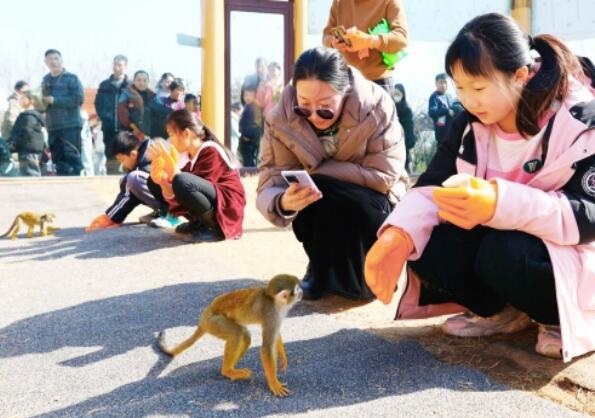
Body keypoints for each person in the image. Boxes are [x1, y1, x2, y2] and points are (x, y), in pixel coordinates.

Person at [364, 13, 595, 362]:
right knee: (425, 243)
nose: (468, 100)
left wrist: (499, 202)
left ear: (520, 75)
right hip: (499, 242)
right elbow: (431, 186)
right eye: (459, 88)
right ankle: (502, 311)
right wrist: (397, 235)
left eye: (478, 88)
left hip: (567, 255)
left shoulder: (579, 121)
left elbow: (587, 215)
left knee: (504, 252)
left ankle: (560, 319)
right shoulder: (471, 123)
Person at [256, 47, 407, 300]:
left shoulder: (377, 105)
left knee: (361, 291)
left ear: (346, 91)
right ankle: (320, 269)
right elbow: (271, 177)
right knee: (307, 193)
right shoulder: (280, 118)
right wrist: (282, 201)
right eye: (304, 107)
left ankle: (375, 268)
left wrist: (319, 174)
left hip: (373, 203)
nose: (314, 116)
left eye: (325, 107)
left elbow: (384, 176)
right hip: (320, 208)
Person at [146, 109, 246, 241]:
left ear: (186, 133)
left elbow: (189, 186)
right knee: (155, 182)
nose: (170, 140)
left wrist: (172, 172)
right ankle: (198, 223)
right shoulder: (189, 155)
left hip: (228, 206)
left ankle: (214, 228)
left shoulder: (211, 150)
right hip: (212, 197)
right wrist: (162, 182)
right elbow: (180, 192)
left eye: (171, 134)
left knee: (181, 180)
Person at [322, 0, 408, 93]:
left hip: (377, 82)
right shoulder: (339, 2)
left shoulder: (389, 2)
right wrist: (333, 42)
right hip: (344, 81)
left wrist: (370, 41)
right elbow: (326, 35)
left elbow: (402, 38)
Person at [86, 132, 163, 232]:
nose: (122, 164)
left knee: (133, 178)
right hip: (168, 196)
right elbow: (129, 195)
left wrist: (111, 217)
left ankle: (169, 213)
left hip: (175, 198)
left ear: (133, 155)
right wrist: (113, 216)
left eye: (122, 160)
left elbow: (130, 194)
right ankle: (161, 211)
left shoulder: (150, 160)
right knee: (127, 180)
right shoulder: (141, 161)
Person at [41, 49, 85, 175]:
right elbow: (43, 103)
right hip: (53, 126)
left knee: (73, 159)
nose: (53, 62)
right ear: (46, 62)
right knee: (57, 161)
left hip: (70, 125)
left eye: (56, 58)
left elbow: (78, 98)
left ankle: (78, 188)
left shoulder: (72, 78)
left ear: (61, 60)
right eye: (49, 59)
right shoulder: (45, 80)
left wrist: (55, 100)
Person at [94, 54, 130, 173]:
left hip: (126, 130)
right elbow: (98, 104)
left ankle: (128, 186)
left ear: (126, 67)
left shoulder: (131, 86)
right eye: (115, 64)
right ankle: (111, 184)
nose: (117, 67)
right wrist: (105, 117)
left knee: (127, 158)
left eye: (120, 65)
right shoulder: (104, 85)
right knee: (110, 157)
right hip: (108, 129)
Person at [9, 92, 45, 176]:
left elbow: (26, 132)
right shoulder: (31, 115)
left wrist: (15, 143)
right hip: (28, 150)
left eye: (23, 98)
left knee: (30, 175)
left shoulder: (28, 115)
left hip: (28, 151)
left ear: (31, 101)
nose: (20, 100)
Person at [118, 70, 156, 141]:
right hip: (129, 132)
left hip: (147, 133)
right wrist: (136, 129)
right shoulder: (126, 93)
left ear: (148, 82)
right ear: (134, 81)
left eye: (144, 80)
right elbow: (122, 113)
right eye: (138, 80)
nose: (141, 83)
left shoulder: (153, 95)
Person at [428, 72, 463, 143]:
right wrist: (446, 111)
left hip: (452, 133)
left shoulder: (449, 96)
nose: (443, 85)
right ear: (436, 83)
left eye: (445, 82)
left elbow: (453, 110)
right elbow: (431, 112)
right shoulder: (434, 97)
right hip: (442, 135)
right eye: (441, 82)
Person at [393, 83, 416, 173]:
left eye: (398, 94)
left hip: (404, 141)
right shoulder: (390, 107)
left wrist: (409, 140)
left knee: (406, 165)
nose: (396, 96)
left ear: (403, 95)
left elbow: (410, 126)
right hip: (393, 141)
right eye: (395, 94)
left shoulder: (407, 109)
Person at [238, 86, 260, 167]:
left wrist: (246, 136)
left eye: (249, 95)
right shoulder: (253, 107)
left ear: (254, 96)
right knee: (249, 159)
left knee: (248, 161)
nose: (246, 97)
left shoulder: (249, 108)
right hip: (253, 139)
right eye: (245, 95)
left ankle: (251, 176)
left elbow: (249, 124)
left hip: (248, 139)